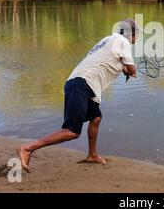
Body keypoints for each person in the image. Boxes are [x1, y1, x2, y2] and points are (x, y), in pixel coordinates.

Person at [17, 18, 139, 172]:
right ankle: (28, 148)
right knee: (72, 131)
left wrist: (127, 70)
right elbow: (130, 68)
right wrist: (132, 70)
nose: (137, 38)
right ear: (132, 34)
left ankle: (92, 155)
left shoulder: (109, 40)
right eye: (137, 35)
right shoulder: (123, 41)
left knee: (96, 118)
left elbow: (113, 63)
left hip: (82, 84)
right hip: (82, 84)